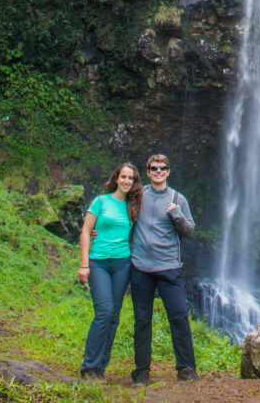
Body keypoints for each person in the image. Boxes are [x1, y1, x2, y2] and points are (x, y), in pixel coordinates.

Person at [130, 153, 197, 385]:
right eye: (154, 168)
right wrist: (96, 231)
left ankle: (186, 368)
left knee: (179, 316)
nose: (158, 171)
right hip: (140, 267)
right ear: (147, 172)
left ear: (168, 172)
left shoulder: (179, 199)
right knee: (142, 319)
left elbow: (189, 230)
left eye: (163, 168)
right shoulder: (138, 196)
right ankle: (141, 371)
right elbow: (121, 219)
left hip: (169, 268)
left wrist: (176, 215)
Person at [78, 162, 142, 379]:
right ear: (116, 178)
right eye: (123, 176)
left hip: (123, 264)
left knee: (114, 316)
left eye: (130, 178)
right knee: (104, 311)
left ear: (134, 182)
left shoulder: (134, 206)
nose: (126, 181)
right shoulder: (101, 201)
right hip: (99, 263)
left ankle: (100, 368)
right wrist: (84, 265)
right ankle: (89, 366)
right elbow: (86, 232)